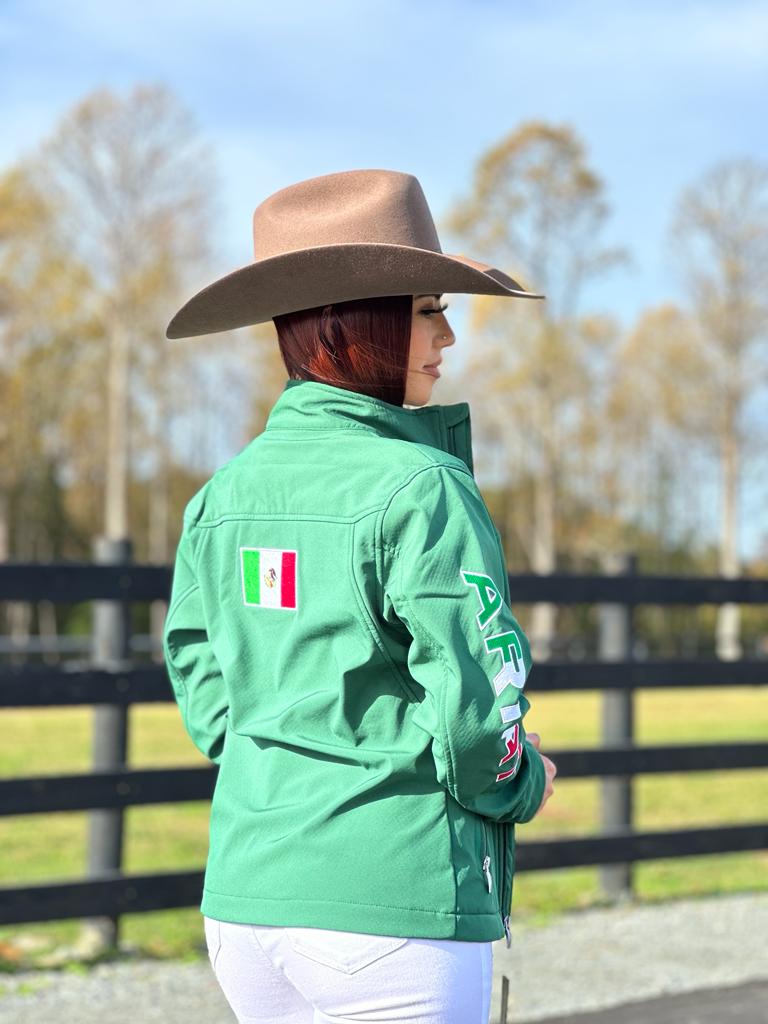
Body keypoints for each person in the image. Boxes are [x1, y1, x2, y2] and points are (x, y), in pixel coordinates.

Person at [162, 168, 558, 1024]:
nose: (447, 337)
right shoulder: (423, 485)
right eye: (427, 310)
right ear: (353, 321)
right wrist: (522, 780)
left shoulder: (223, 494)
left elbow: (200, 676)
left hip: (246, 904)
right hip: (393, 902)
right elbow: (477, 709)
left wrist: (289, 763)